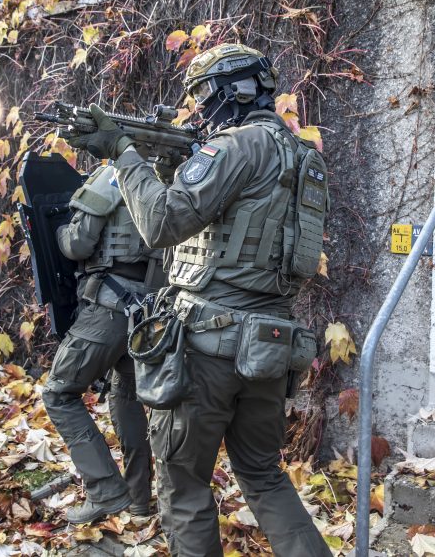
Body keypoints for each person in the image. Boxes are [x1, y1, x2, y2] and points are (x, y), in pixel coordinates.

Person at [67, 43, 332, 556]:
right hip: (272, 343)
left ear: (234, 90)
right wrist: (171, 167)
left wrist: (124, 153)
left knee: (184, 484)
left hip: (209, 345)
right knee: (264, 475)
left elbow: (162, 223)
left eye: (204, 94)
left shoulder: (236, 146)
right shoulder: (304, 158)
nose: (201, 109)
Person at [42, 162, 165, 523]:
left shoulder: (113, 175)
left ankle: (106, 492)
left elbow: (78, 244)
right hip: (150, 312)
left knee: (59, 393)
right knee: (126, 395)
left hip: (109, 307)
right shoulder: (166, 178)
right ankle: (138, 500)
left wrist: (59, 231)